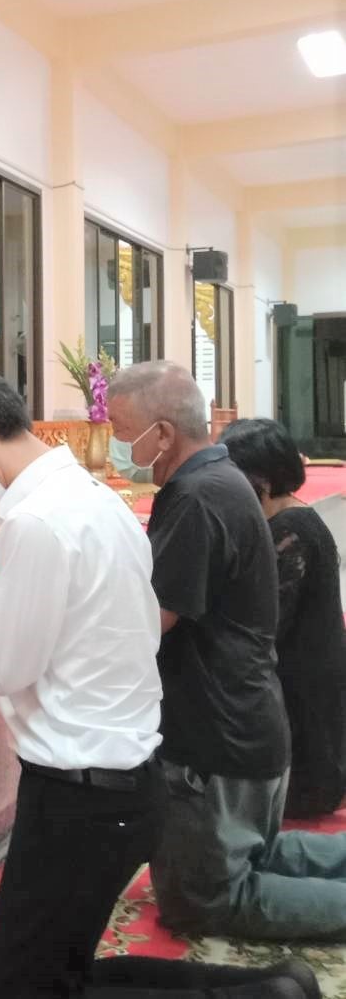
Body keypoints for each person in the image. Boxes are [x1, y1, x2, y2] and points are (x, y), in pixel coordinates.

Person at [0, 358, 165, 999]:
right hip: (121, 779)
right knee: (59, 968)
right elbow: (31, 619)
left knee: (20, 982)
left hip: (81, 794)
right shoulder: (92, 497)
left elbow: (7, 666)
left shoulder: (37, 521)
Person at [110, 361, 346, 941]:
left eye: (119, 430)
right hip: (248, 719)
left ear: (163, 433)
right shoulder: (219, 480)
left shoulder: (197, 497)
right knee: (258, 856)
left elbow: (154, 619)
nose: (115, 445)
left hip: (217, 738)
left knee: (206, 900)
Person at [222, 418, 346, 818]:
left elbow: (264, 623)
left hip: (300, 694)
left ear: (260, 477)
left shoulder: (291, 530)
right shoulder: (289, 519)